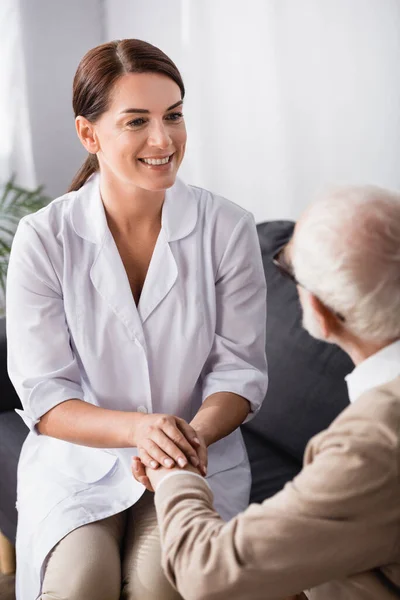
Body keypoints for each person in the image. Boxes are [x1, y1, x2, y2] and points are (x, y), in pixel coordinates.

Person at [6, 39, 268, 600]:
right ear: (89, 134)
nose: (163, 139)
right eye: (137, 121)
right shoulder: (45, 238)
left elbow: (239, 374)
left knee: (158, 586)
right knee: (81, 585)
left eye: (173, 115)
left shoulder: (227, 228)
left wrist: (182, 440)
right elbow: (46, 396)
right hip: (79, 462)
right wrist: (138, 430)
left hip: (195, 454)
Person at [134, 185, 400, 600]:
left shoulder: (373, 445)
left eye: (287, 269)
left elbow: (206, 571)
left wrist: (174, 473)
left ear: (321, 312)